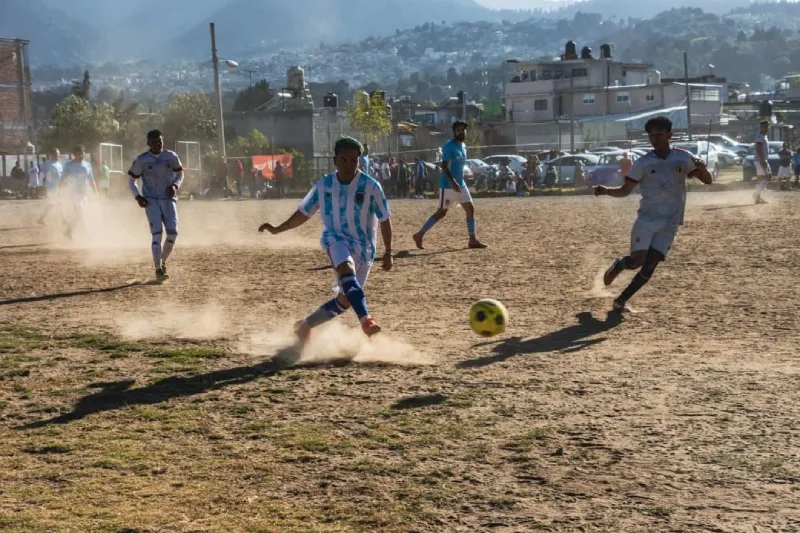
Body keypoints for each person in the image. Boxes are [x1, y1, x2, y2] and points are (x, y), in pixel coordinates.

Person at [258, 136, 392, 342]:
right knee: (345, 268)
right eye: (344, 159)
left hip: (365, 249)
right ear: (334, 160)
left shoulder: (371, 186)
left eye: (354, 160)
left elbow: (384, 218)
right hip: (335, 239)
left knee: (345, 301)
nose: (349, 164)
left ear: (359, 160)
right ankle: (366, 320)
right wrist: (277, 229)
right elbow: (303, 213)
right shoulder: (324, 185)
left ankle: (305, 325)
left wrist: (388, 252)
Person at [595, 116, 713, 312]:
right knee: (637, 262)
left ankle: (621, 300)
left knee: (651, 265)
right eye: (651, 135)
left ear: (670, 135)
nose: (654, 138)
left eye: (659, 134)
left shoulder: (683, 158)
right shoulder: (643, 162)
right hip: (646, 220)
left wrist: (702, 168)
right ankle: (620, 264)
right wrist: (606, 190)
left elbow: (708, 180)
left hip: (671, 222)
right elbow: (625, 190)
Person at [412, 120, 487, 250]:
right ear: (454, 132)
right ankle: (419, 234)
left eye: (463, 130)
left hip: (461, 184)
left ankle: (472, 240)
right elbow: (444, 167)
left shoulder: (463, 146)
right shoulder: (448, 146)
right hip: (447, 185)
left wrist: (459, 182)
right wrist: (453, 183)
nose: (461, 132)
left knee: (470, 209)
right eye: (458, 130)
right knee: (441, 213)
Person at [128, 129, 185, 282]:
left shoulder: (171, 156)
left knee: (173, 233)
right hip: (151, 200)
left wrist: (175, 186)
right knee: (157, 234)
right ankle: (158, 268)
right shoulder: (142, 160)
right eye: (154, 142)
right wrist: (138, 196)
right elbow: (131, 181)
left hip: (168, 200)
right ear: (148, 143)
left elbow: (180, 173)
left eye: (160, 141)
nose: (157, 144)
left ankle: (163, 261)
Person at [61, 145, 99, 239]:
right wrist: (60, 191)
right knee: (80, 212)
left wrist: (96, 192)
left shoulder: (87, 165)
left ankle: (76, 232)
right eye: (78, 153)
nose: (81, 155)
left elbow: (91, 180)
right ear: (74, 155)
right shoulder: (69, 165)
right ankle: (71, 231)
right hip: (73, 193)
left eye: (82, 153)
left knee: (80, 214)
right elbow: (63, 178)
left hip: (84, 193)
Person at [37, 149, 64, 226]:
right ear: (51, 155)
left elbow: (61, 176)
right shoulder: (47, 164)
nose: (57, 156)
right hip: (50, 187)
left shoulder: (59, 164)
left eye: (58, 154)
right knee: (57, 203)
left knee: (54, 204)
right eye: (55, 154)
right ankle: (63, 220)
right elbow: (42, 175)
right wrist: (40, 185)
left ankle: (41, 219)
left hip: (57, 187)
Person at [753, 120, 771, 204]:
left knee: (761, 178)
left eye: (767, 126)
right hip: (760, 160)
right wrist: (763, 160)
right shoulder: (760, 137)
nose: (766, 128)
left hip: (760, 160)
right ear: (761, 127)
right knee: (768, 177)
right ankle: (756, 194)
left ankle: (757, 197)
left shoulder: (764, 136)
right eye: (764, 126)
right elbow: (759, 149)